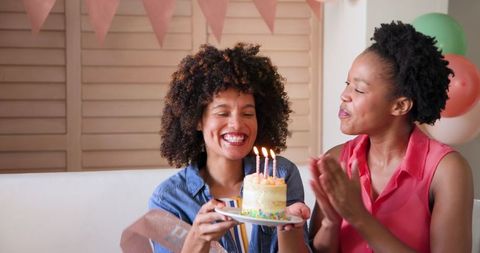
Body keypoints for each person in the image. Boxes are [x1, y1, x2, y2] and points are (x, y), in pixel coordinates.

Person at [308, 21, 474, 253]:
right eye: (347, 84)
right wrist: (331, 223)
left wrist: (359, 217)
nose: (344, 96)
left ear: (400, 105)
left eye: (359, 89)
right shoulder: (336, 160)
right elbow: (319, 250)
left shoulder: (447, 171)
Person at [149, 43, 311, 253]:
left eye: (247, 114)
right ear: (197, 121)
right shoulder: (169, 198)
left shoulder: (279, 175)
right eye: (222, 113)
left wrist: (289, 227)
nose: (236, 124)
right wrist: (198, 239)